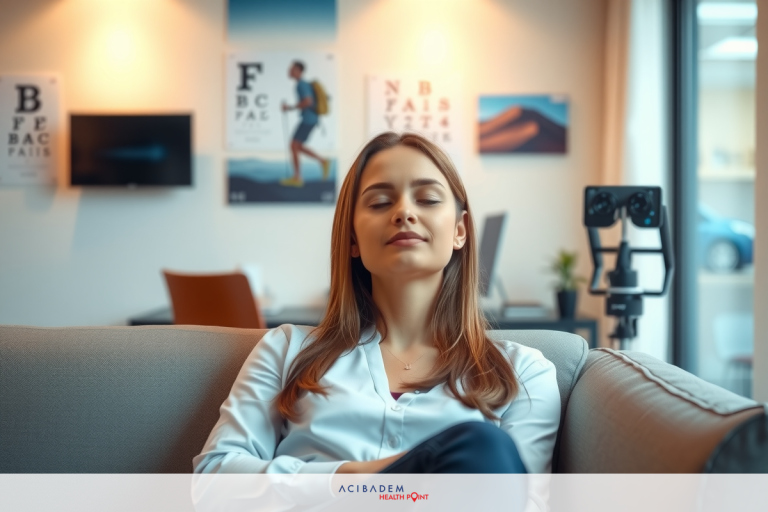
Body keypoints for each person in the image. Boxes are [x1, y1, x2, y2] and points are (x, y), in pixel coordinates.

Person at [193, 132, 561, 510]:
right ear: (352, 237)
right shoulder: (286, 350)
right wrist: (370, 479)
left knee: (484, 448)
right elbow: (213, 482)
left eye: (428, 199)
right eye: (381, 202)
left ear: (460, 230)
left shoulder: (524, 373)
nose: (404, 212)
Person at [280, 60, 330, 187]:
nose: (289, 71)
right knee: (297, 146)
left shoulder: (301, 85)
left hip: (308, 119)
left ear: (298, 71)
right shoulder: (302, 84)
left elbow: (308, 101)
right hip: (311, 119)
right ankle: (323, 161)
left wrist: (290, 108)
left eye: (292, 69)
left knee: (293, 145)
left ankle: (297, 177)